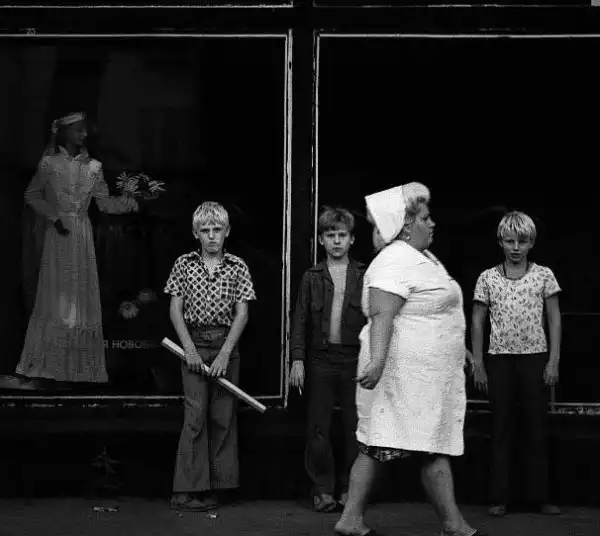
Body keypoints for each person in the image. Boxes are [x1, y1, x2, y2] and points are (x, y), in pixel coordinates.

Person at [335, 183, 486, 536]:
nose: (432, 223)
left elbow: (433, 310)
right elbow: (382, 315)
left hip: (420, 378)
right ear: (405, 226)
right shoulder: (394, 261)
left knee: (414, 444)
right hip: (399, 377)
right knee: (387, 443)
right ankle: (450, 524)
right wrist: (376, 362)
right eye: (425, 218)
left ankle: (355, 519)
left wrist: (457, 346)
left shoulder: (421, 257)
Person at [13, 112, 138, 387]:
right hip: (58, 236)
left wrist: (127, 199)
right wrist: (54, 217)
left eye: (85, 130)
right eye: (78, 130)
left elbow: (104, 203)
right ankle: (49, 366)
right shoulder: (49, 164)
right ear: (64, 132)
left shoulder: (94, 166)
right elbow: (31, 195)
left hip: (82, 235)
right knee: (55, 297)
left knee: (81, 299)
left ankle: (79, 369)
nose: (84, 134)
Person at [165, 201, 256, 511]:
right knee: (195, 416)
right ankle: (187, 488)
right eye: (205, 230)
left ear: (227, 231)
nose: (212, 236)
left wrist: (225, 355)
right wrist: (189, 349)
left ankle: (219, 487)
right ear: (196, 233)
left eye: (217, 229)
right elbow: (175, 309)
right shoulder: (184, 264)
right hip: (193, 344)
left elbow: (242, 314)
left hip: (225, 345)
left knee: (223, 417)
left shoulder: (238, 266)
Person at [471, 211, 562, 517]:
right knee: (501, 428)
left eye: (522, 242)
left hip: (535, 357)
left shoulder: (543, 275)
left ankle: (540, 496)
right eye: (510, 241)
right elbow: (478, 320)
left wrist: (553, 360)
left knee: (536, 428)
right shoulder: (487, 277)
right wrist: (479, 363)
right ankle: (499, 497)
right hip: (500, 359)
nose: (515, 248)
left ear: (531, 243)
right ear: (500, 241)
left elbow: (554, 318)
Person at [290, 207, 367, 512]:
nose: (336, 241)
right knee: (318, 427)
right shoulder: (312, 276)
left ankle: (350, 488)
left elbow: (375, 319)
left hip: (354, 359)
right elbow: (299, 320)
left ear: (351, 239)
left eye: (342, 235)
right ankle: (322, 489)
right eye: (330, 235)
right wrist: (298, 359)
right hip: (320, 359)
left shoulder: (363, 274)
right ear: (321, 239)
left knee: (353, 426)